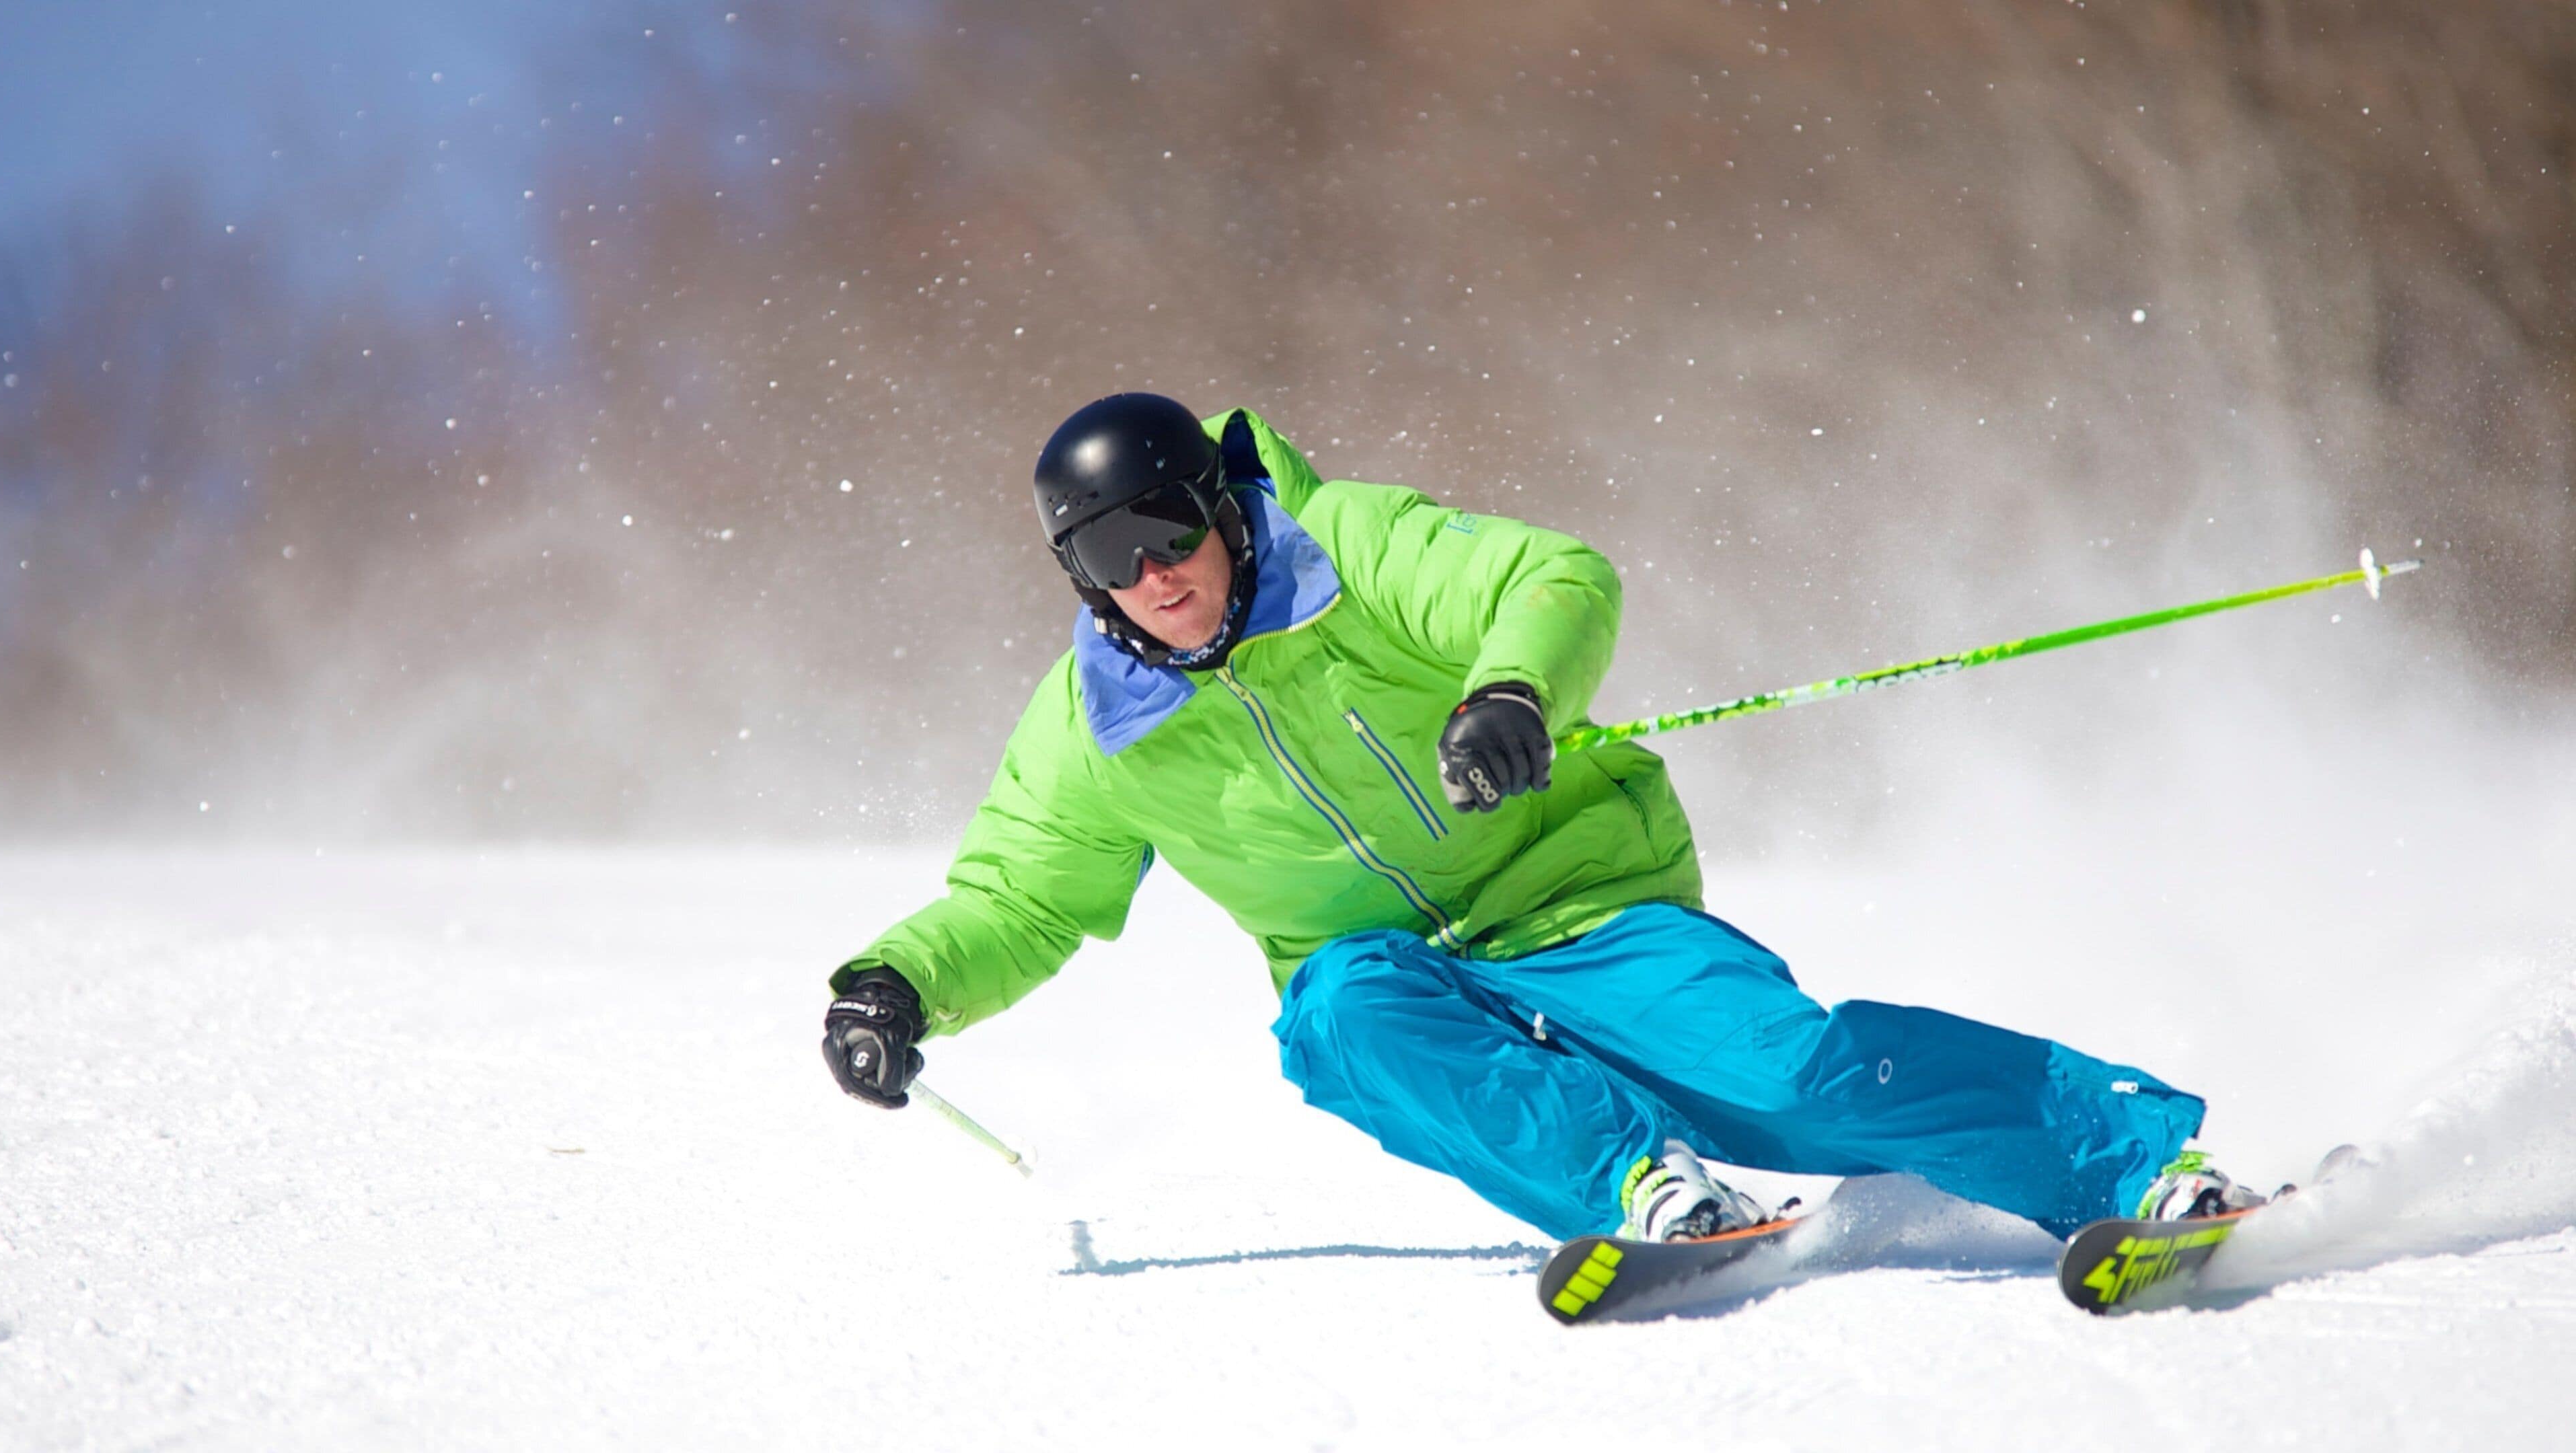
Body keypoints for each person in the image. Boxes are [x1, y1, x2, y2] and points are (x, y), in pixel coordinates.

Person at [821, 393, 2264, 1244]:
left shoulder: (1353, 553)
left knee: (1799, 1077)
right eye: (1105, 557)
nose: (1154, 577)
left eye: (1168, 528)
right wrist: (897, 982)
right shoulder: (1099, 725)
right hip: (1400, 975)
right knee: (1337, 1014)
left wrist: (1512, 694)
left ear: (1223, 504)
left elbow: (1553, 578)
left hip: (1579, 905)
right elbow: (1020, 890)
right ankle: (1638, 1184)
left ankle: (2135, 1160)